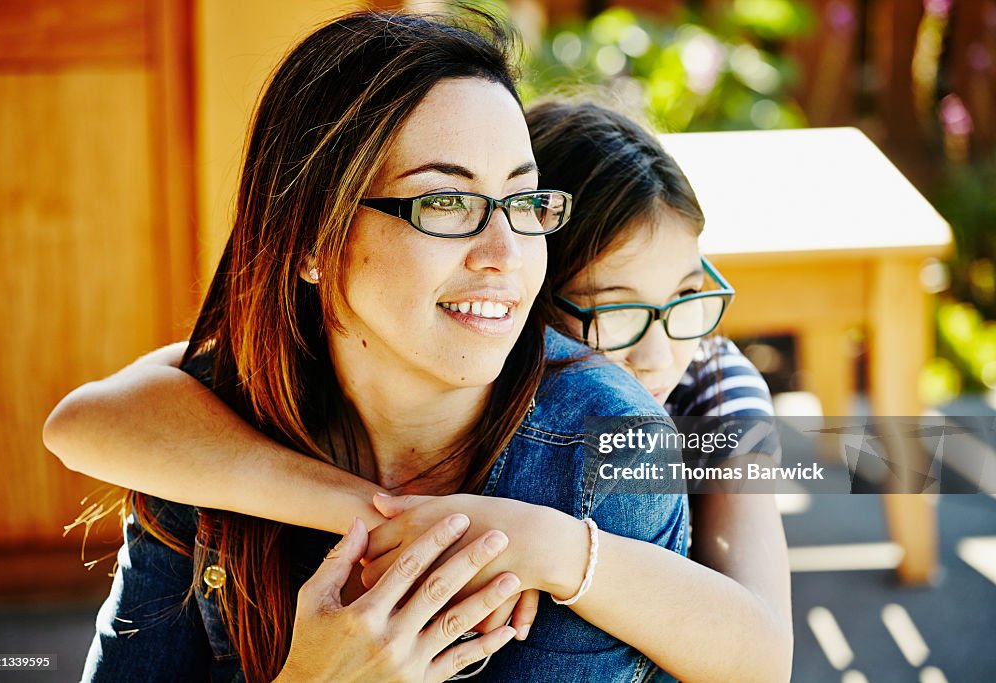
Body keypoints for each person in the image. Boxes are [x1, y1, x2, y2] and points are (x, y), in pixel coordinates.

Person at [45, 10, 694, 683]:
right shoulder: (207, 436)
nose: (507, 255)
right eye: (444, 201)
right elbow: (81, 421)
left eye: (523, 200)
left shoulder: (599, 447)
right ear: (311, 241)